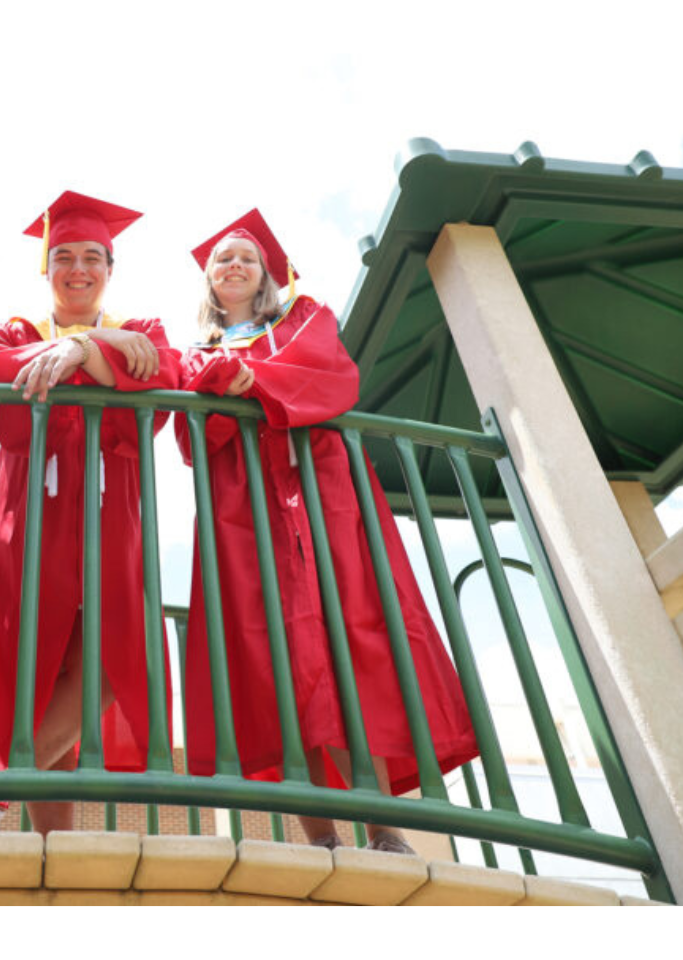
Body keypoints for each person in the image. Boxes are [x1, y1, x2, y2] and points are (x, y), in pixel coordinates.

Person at [176, 209, 478, 853]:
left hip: (321, 488)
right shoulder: (193, 349)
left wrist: (250, 380)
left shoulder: (305, 318)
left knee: (349, 639)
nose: (233, 265)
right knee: (273, 658)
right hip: (240, 504)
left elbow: (330, 375)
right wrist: (218, 384)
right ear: (208, 279)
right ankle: (320, 834)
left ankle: (382, 825)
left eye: (246, 259)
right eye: (221, 259)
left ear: (267, 275)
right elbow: (190, 434)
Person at [0, 191, 179, 835]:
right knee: (33, 665)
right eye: (63, 257)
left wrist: (86, 350)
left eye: (92, 257)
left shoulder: (144, 331)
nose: (77, 269)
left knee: (115, 660)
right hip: (26, 522)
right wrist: (97, 354)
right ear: (45, 269)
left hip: (111, 524)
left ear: (110, 269)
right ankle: (53, 849)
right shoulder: (14, 334)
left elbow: (162, 373)